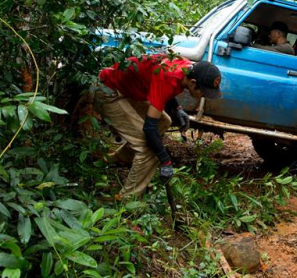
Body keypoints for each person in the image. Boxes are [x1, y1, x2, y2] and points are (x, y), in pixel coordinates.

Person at [92, 55, 222, 199]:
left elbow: (162, 87)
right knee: (149, 150)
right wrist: (165, 160)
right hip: (108, 92)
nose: (204, 96)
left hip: (127, 90)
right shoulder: (168, 76)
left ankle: (120, 158)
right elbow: (149, 128)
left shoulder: (184, 66)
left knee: (164, 121)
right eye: (203, 92)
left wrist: (177, 108)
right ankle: (126, 200)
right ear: (192, 82)